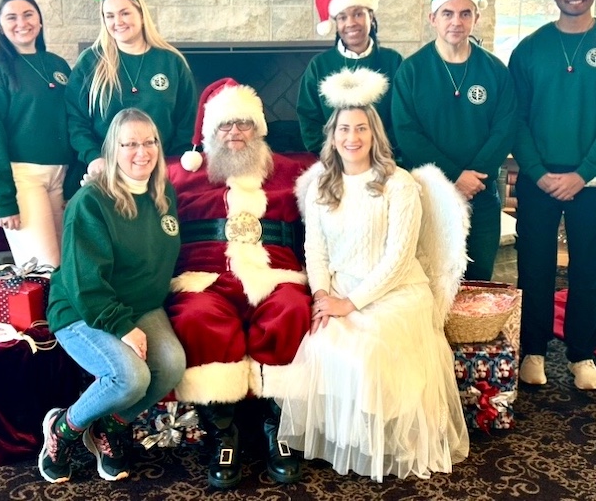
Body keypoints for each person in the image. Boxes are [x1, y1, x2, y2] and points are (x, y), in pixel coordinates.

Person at [277, 68, 470, 481]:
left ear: (374, 134)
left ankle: (382, 441)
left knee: (369, 352)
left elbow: (399, 258)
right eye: (344, 129)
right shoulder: (320, 186)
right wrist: (322, 295)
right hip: (342, 285)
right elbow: (315, 249)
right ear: (332, 135)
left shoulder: (398, 184)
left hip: (396, 292)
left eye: (361, 128)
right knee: (319, 342)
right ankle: (349, 438)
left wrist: (351, 303)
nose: (352, 137)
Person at [167, 79, 314, 490]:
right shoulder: (181, 177)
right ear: (209, 135)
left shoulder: (293, 173)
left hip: (276, 272)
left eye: (243, 124)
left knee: (293, 309)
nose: (234, 134)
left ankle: (277, 426)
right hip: (205, 276)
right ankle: (223, 432)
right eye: (224, 126)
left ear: (259, 129)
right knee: (195, 315)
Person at [38, 109, 186, 483]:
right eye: (130, 144)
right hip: (83, 308)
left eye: (149, 142)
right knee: (130, 377)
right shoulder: (91, 201)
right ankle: (64, 429)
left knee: (171, 365)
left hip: (139, 304)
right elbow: (84, 282)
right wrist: (123, 328)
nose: (142, 152)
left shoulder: (163, 194)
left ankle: (110, 427)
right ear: (112, 149)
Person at [508, 0, 596, 390]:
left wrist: (583, 173)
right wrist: (538, 172)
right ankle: (534, 350)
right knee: (535, 266)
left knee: (588, 269)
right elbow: (515, 119)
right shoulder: (529, 49)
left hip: (592, 179)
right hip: (538, 178)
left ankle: (582, 354)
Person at [392, 0, 516, 281]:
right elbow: (407, 133)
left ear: (476, 17)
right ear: (432, 17)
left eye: (465, 13)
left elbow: (505, 128)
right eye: (447, 13)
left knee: (478, 280)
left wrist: (473, 177)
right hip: (430, 195)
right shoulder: (411, 71)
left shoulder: (495, 71)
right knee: (431, 279)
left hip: (482, 194)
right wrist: (454, 177)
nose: (456, 22)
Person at [0, 0, 73, 267]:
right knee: (44, 267)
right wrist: (5, 200)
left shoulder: (57, 64)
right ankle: (46, 313)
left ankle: (66, 313)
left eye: (28, 14)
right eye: (11, 17)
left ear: (39, 20)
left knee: (68, 261)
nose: (21, 23)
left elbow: (72, 121)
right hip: (20, 178)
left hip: (60, 176)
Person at [65, 0, 195, 193]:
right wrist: (93, 157)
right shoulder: (90, 62)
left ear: (141, 15)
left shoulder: (171, 62)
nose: (118, 21)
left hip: (158, 172)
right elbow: (75, 120)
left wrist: (172, 164)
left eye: (125, 13)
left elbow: (186, 120)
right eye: (110, 16)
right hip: (105, 172)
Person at [297, 0, 402, 154]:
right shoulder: (319, 66)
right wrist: (332, 155)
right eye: (342, 17)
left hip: (384, 158)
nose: (351, 23)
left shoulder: (393, 61)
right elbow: (309, 119)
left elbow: (403, 115)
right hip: (334, 160)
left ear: (371, 16)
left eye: (358, 14)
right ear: (336, 24)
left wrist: (383, 153)